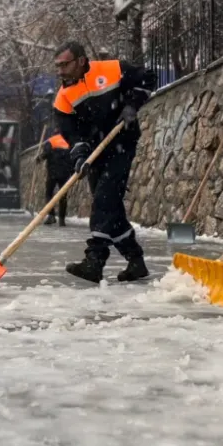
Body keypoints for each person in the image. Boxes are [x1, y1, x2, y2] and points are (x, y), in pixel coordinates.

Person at [53, 41, 156, 283]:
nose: (60, 71)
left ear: (80, 60)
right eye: (57, 66)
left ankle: (95, 260)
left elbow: (147, 78)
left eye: (65, 64)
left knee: (104, 200)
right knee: (111, 208)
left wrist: (131, 105)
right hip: (95, 153)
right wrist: (79, 154)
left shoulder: (112, 69)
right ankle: (135, 261)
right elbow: (70, 132)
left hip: (121, 144)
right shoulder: (63, 97)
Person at [36, 131, 72, 226]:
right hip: (64, 173)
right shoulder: (67, 141)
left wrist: (39, 158)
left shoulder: (51, 141)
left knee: (49, 194)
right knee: (63, 196)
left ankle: (51, 215)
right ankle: (62, 219)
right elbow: (71, 156)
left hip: (52, 173)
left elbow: (45, 154)